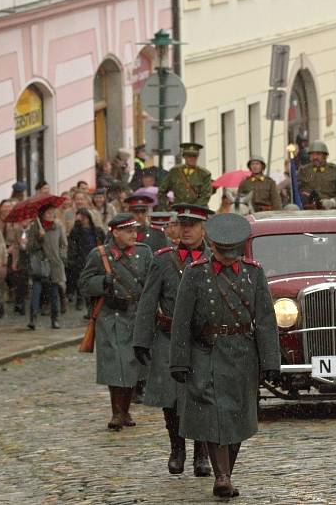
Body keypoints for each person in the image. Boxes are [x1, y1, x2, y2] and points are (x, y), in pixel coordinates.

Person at [169, 213, 280, 498]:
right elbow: (181, 320)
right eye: (223, 252)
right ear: (213, 246)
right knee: (214, 412)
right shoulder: (196, 273)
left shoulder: (254, 273)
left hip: (243, 352)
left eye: (234, 253)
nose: (229, 258)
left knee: (238, 416)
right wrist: (179, 360)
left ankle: (226, 470)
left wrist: (271, 361)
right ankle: (222, 477)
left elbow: (266, 319)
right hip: (207, 351)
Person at [133, 203, 214, 477]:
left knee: (201, 395)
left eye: (193, 225)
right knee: (171, 398)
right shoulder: (163, 259)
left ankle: (201, 453)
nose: (187, 230)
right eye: (183, 224)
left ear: (204, 229)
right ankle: (177, 449)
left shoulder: (213, 260)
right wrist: (141, 340)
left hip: (201, 340)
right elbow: (148, 301)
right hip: (168, 338)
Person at [79, 213, 153, 430]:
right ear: (115, 232)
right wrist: (102, 281)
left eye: (134, 231)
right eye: (128, 231)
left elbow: (152, 280)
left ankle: (126, 410)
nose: (133, 235)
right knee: (115, 365)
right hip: (111, 316)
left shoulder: (143, 252)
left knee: (133, 365)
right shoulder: (100, 254)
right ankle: (117, 413)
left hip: (136, 314)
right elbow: (84, 283)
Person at [27, 204, 67, 330]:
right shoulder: (35, 227)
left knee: (54, 293)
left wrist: (61, 256)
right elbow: (30, 247)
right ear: (42, 214)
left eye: (52, 212)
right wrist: (39, 238)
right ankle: (33, 319)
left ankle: (55, 319)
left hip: (55, 264)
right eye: (48, 213)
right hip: (40, 264)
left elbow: (63, 244)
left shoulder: (58, 226)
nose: (51, 215)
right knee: (36, 292)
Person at [67, 208, 105, 313]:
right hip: (81, 259)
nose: (83, 220)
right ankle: (83, 301)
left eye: (84, 217)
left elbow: (103, 242)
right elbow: (72, 245)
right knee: (82, 281)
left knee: (94, 283)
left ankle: (91, 307)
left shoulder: (96, 231)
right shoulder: (76, 231)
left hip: (95, 258)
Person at [297, 140, 336, 209]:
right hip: (309, 211)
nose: (315, 157)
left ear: (325, 156)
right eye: (312, 154)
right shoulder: (303, 171)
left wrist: (333, 202)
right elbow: (296, 191)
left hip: (332, 211)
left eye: (318, 154)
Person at [158, 143, 213, 208]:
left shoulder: (205, 174)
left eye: (195, 156)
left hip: (198, 211)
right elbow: (162, 191)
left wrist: (194, 209)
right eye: (189, 156)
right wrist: (166, 207)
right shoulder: (174, 171)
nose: (192, 158)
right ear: (184, 156)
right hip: (178, 210)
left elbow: (206, 195)